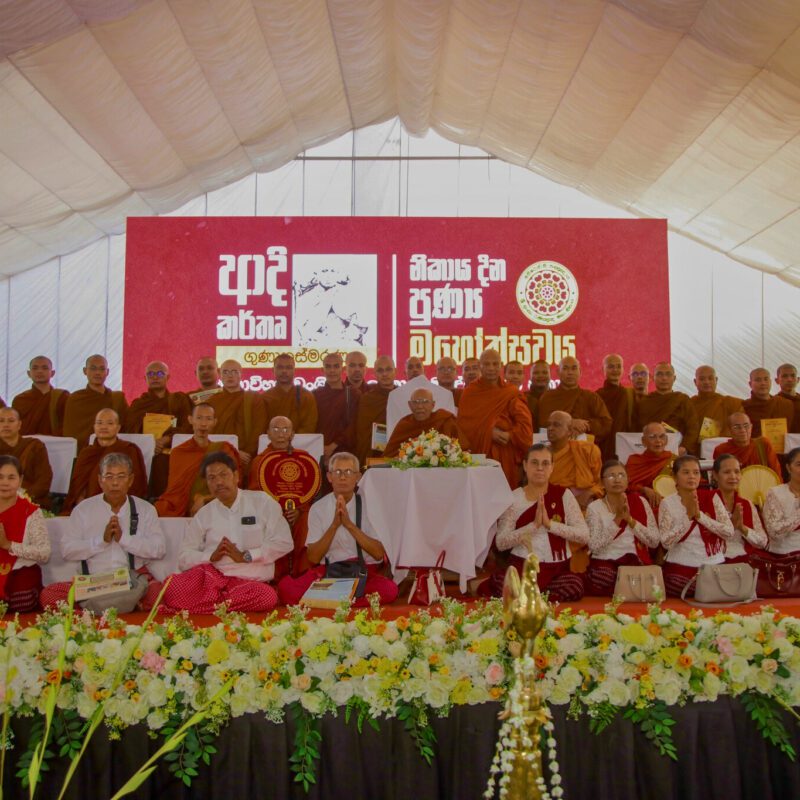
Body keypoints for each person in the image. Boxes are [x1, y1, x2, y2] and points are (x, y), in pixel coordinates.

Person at [162, 452, 293, 613]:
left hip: (249, 582)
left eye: (223, 474)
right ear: (207, 484)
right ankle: (220, 605)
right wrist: (210, 557)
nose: (218, 482)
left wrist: (247, 555)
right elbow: (183, 557)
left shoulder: (262, 502)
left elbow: (284, 542)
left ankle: (206, 606)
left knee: (267, 597)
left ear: (236, 476)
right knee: (171, 588)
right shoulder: (204, 514)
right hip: (212, 580)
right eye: (212, 478)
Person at [41, 453, 165, 611]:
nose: (115, 483)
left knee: (158, 596)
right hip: (94, 581)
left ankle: (93, 611)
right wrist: (102, 541)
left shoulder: (145, 509)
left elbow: (159, 549)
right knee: (49, 595)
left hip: (130, 579)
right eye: (109, 476)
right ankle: (120, 608)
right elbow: (67, 551)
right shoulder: (83, 510)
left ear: (131, 480)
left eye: (121, 476)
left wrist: (124, 539)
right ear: (100, 480)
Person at [277, 452, 398, 607]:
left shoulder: (370, 505)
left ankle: (327, 600)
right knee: (287, 590)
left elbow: (378, 552)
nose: (342, 477)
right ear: (329, 477)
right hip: (329, 573)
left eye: (348, 472)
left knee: (389, 590)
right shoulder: (318, 508)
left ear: (358, 477)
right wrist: (334, 525)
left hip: (361, 573)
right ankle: (345, 600)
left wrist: (349, 525)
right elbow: (313, 558)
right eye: (338, 472)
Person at [480, 444, 588, 601]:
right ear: (525, 465)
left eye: (545, 463)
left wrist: (550, 525)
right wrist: (533, 526)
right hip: (522, 567)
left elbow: (584, 535)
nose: (540, 468)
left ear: (552, 467)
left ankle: (528, 597)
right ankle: (536, 597)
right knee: (502, 582)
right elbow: (501, 542)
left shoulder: (564, 495)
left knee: (575, 586)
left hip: (556, 569)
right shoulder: (514, 499)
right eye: (534, 463)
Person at [658, 455, 734, 597]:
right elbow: (666, 542)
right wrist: (688, 517)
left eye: (696, 472)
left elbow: (729, 532)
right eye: (686, 473)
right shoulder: (668, 503)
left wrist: (700, 516)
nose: (692, 477)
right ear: (674, 477)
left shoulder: (712, 498)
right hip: (680, 572)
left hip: (714, 568)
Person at [456, 349, 533, 489]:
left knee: (505, 501)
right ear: (480, 366)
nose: (491, 368)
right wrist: (488, 432)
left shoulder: (510, 392)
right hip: (478, 457)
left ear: (501, 366)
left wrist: (510, 435)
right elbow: (463, 427)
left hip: (505, 456)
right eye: (487, 364)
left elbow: (526, 428)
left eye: (495, 364)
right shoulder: (470, 393)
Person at [585, 459, 660, 595]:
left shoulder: (640, 502)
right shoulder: (594, 507)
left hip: (635, 561)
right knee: (604, 577)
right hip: (605, 562)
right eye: (611, 476)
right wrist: (617, 519)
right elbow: (594, 546)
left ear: (627, 480)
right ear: (602, 482)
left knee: (642, 577)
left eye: (621, 475)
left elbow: (654, 541)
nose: (617, 480)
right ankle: (628, 590)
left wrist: (630, 520)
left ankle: (626, 589)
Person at [154, 403, 240, 517]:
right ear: (190, 420)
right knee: (160, 509)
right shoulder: (179, 452)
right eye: (199, 418)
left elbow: (233, 486)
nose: (203, 424)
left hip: (215, 499)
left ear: (214, 422)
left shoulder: (223, 449)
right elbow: (174, 492)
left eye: (208, 419)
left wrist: (205, 499)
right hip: (182, 504)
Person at [124, 360, 193, 497]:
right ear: (145, 378)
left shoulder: (179, 400)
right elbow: (129, 432)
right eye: (151, 374)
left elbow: (188, 427)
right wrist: (150, 444)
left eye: (160, 373)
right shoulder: (138, 405)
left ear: (168, 377)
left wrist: (167, 439)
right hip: (146, 458)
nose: (155, 377)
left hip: (172, 458)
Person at [61, 409, 148, 514]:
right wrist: (82, 505)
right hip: (86, 508)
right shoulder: (86, 453)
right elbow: (77, 487)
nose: (103, 427)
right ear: (94, 427)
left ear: (118, 428)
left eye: (110, 423)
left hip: (120, 508)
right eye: (99, 423)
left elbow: (135, 484)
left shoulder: (129, 450)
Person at [0, 455, 50, 612]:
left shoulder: (31, 512)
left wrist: (8, 545)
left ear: (20, 480)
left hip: (19, 574)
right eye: (0, 477)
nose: (5, 483)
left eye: (11, 477)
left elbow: (44, 553)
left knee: (21, 600)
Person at [206, 359, 267, 469]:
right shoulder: (212, 401)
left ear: (241, 374)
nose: (230, 376)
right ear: (219, 375)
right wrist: (231, 452)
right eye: (226, 372)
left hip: (247, 458)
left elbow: (259, 427)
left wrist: (247, 453)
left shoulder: (254, 398)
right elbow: (209, 432)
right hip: (219, 456)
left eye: (234, 372)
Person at [536, 356, 612, 440]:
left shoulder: (590, 397)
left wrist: (586, 425)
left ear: (580, 372)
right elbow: (544, 422)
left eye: (574, 368)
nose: (570, 373)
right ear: (558, 372)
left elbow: (606, 423)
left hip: (582, 448)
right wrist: (570, 423)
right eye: (565, 368)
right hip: (553, 448)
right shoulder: (548, 397)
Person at [62, 355, 128, 450]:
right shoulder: (75, 399)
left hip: (112, 451)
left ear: (107, 372)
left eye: (102, 369)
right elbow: (70, 432)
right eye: (93, 368)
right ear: (85, 371)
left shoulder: (117, 398)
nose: (97, 373)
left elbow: (125, 428)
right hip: (83, 453)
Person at [710, 454, 768, 563]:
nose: (733, 476)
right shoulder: (706, 502)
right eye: (727, 472)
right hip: (715, 561)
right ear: (715, 475)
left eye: (737, 472)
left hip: (745, 561)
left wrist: (742, 527)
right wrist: (728, 526)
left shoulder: (747, 504)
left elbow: (763, 542)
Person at [634, 362, 699, 455]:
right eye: (660, 374)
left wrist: (684, 447)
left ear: (674, 378)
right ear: (653, 378)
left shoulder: (682, 399)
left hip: (676, 451)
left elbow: (693, 427)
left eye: (668, 374)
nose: (664, 378)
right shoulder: (644, 402)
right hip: (648, 452)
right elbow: (636, 428)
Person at [383, 388, 463, 458]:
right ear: (410, 405)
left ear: (433, 404)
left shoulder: (444, 419)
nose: (420, 406)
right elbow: (389, 456)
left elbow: (461, 449)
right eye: (416, 402)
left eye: (425, 402)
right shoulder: (404, 424)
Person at [546, 410, 602, 508]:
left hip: (586, 505)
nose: (550, 428)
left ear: (570, 432)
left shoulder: (587, 450)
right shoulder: (541, 456)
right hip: (554, 505)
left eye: (556, 425)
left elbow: (601, 482)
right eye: (549, 425)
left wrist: (589, 493)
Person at [313, 352, 359, 469]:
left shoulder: (353, 394)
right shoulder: (316, 395)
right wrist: (322, 448)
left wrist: (333, 446)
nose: (332, 370)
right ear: (322, 370)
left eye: (336, 366)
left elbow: (354, 425)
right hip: (319, 452)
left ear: (343, 369)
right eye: (328, 366)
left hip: (344, 450)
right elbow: (313, 424)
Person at [0, 407, 53, 506]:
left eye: (11, 421)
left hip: (29, 499)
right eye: (1, 421)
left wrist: (24, 497)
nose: (6, 425)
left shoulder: (34, 446)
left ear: (19, 424)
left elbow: (44, 478)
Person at [354, 355, 396, 466]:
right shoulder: (367, 399)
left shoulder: (402, 396)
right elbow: (363, 434)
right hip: (374, 455)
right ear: (375, 374)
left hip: (399, 453)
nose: (385, 374)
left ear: (395, 371)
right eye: (380, 370)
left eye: (388, 369)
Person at [12, 355, 69, 435]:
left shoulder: (62, 397)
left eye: (45, 368)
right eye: (35, 368)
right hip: (27, 444)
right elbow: (15, 427)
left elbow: (68, 425)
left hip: (56, 444)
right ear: (29, 373)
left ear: (52, 373)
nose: (39, 371)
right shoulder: (20, 400)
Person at [711, 412, 782, 476]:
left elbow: (776, 474)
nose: (743, 430)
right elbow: (719, 477)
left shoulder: (763, 445)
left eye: (746, 426)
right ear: (729, 430)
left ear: (751, 427)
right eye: (737, 427)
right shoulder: (721, 450)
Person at [262, 354, 318, 433]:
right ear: (273, 370)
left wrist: (290, 439)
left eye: (288, 367)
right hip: (272, 443)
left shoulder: (306, 396)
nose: (284, 371)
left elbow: (309, 426)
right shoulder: (266, 397)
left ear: (294, 370)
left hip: (300, 443)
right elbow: (262, 427)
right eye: (280, 367)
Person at [625, 423, 675, 506]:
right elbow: (626, 484)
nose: (658, 440)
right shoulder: (634, 460)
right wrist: (644, 489)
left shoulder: (674, 460)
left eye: (661, 436)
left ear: (666, 441)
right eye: (652, 437)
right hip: (642, 503)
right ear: (643, 441)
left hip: (668, 505)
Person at [595, 353, 634, 460]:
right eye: (611, 366)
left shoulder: (629, 394)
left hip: (625, 445)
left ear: (623, 369)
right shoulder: (597, 396)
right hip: (604, 445)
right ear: (603, 369)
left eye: (618, 366)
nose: (615, 370)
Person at [762, 446, 800, 556]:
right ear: (788, 468)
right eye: (799, 464)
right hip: (784, 555)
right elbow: (774, 532)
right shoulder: (775, 493)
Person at [690, 365, 743, 440]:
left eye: (710, 378)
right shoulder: (690, 404)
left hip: (723, 447)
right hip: (696, 449)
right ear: (695, 382)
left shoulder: (729, 403)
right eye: (702, 379)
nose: (706, 382)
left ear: (716, 380)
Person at [742, 367, 794, 438]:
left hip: (784, 447)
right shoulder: (744, 407)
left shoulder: (786, 404)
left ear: (770, 382)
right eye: (758, 380)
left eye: (766, 379)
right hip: (755, 447)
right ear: (750, 384)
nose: (763, 383)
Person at [775, 363, 800, 433]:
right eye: (784, 376)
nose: (789, 379)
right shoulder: (773, 402)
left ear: (798, 379)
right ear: (777, 380)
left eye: (793, 375)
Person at [525, 359, 551, 424]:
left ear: (550, 375)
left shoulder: (556, 397)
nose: (540, 376)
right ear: (530, 376)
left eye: (544, 372)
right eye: (536, 373)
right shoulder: (523, 398)